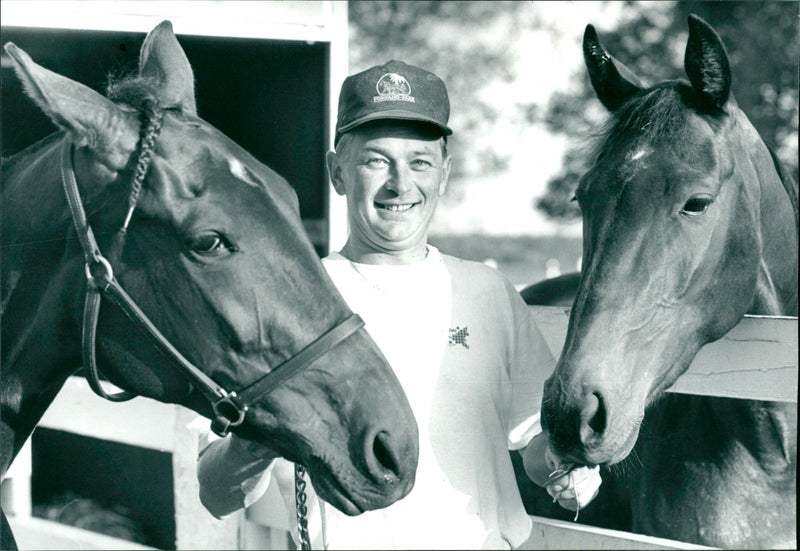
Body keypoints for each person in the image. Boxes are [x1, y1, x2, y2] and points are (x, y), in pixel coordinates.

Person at [196, 59, 601, 549]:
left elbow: (535, 446)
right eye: (376, 160)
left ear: (444, 175)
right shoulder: (284, 298)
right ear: (337, 172)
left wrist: (565, 469)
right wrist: (262, 430)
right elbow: (216, 492)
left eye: (420, 162)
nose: (400, 184)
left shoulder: (487, 292)